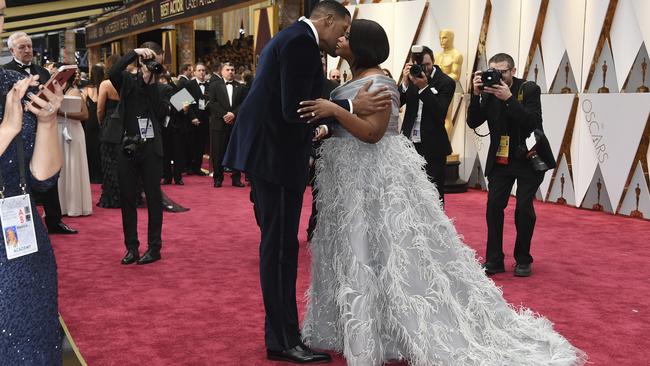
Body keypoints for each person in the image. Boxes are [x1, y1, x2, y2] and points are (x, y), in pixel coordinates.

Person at [298, 19, 586, 366]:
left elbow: (373, 134)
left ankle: (392, 329)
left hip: (373, 177)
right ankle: (369, 326)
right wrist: (329, 125)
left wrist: (334, 110)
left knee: (388, 251)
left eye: (347, 36)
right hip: (349, 180)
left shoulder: (378, 82)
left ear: (361, 46)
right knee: (360, 251)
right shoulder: (357, 80)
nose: (340, 40)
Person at [223, 1, 390, 363]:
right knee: (279, 251)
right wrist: (347, 109)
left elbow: (318, 91)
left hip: (273, 157)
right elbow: (294, 108)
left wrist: (339, 104)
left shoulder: (297, 39)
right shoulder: (300, 42)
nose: (342, 39)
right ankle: (282, 340)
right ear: (327, 20)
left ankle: (283, 335)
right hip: (275, 159)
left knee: (280, 250)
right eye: (342, 31)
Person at [0, 8, 66, 360]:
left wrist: (47, 121)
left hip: (24, 247)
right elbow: (9, 131)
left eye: (0, 12)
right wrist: (8, 129)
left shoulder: (10, 83)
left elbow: (43, 178)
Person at [467, 53, 547, 277]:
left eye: (502, 71)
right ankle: (494, 260)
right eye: (492, 70)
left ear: (513, 71)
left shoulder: (529, 89)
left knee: (523, 208)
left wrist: (509, 99)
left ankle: (523, 259)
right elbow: (473, 121)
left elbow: (533, 121)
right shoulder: (488, 90)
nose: (497, 75)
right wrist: (476, 94)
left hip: (527, 157)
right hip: (501, 159)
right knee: (493, 206)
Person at [3, 31, 78, 235]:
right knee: (18, 180)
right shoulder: (5, 73)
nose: (28, 50)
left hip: (44, 129)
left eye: (29, 46)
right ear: (12, 51)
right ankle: (22, 227)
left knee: (50, 177)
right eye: (22, 47)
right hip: (16, 136)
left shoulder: (42, 72)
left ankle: (55, 220)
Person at [109, 43, 168, 265]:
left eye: (154, 59)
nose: (149, 63)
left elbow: (162, 114)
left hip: (152, 148)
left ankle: (155, 247)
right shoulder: (126, 81)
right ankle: (131, 247)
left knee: (153, 198)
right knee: (127, 198)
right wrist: (133, 54)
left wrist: (151, 81)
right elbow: (113, 72)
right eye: (147, 58)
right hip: (127, 145)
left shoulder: (162, 87)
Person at [400, 45, 455, 205]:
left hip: (433, 146)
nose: (423, 69)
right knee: (409, 193)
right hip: (409, 145)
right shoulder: (410, 78)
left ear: (433, 62)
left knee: (434, 195)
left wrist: (424, 87)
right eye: (418, 65)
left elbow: (439, 114)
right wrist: (404, 84)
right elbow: (397, 104)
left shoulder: (446, 82)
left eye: (427, 65)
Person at [57, 70, 92, 217]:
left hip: (72, 131)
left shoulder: (75, 92)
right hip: (59, 130)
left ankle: (74, 205)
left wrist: (61, 113)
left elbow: (85, 115)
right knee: (62, 168)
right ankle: (62, 205)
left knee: (73, 165)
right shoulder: (56, 92)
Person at [208, 62, 247, 188]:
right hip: (219, 124)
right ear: (222, 71)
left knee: (236, 152)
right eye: (228, 69)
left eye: (232, 69)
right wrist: (225, 114)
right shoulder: (214, 85)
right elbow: (212, 103)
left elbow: (244, 103)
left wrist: (233, 114)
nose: (230, 71)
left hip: (235, 124)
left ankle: (236, 179)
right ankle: (218, 178)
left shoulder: (240, 87)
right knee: (217, 152)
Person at [97, 54, 122, 208]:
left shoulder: (106, 84)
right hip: (125, 124)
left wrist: (101, 123)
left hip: (110, 124)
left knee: (109, 161)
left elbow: (100, 109)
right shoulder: (129, 81)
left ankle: (112, 196)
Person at [186, 62, 210, 176]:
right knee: (190, 144)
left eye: (203, 70)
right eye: (199, 70)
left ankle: (197, 167)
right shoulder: (188, 84)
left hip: (205, 121)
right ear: (194, 72)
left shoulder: (209, 86)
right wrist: (192, 117)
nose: (202, 72)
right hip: (191, 121)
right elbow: (184, 102)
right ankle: (189, 166)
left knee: (201, 145)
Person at [82, 63, 104, 184]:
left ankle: (92, 175)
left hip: (90, 120)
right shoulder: (105, 86)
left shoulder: (87, 88)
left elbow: (83, 104)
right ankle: (101, 174)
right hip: (102, 119)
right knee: (101, 146)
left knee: (90, 147)